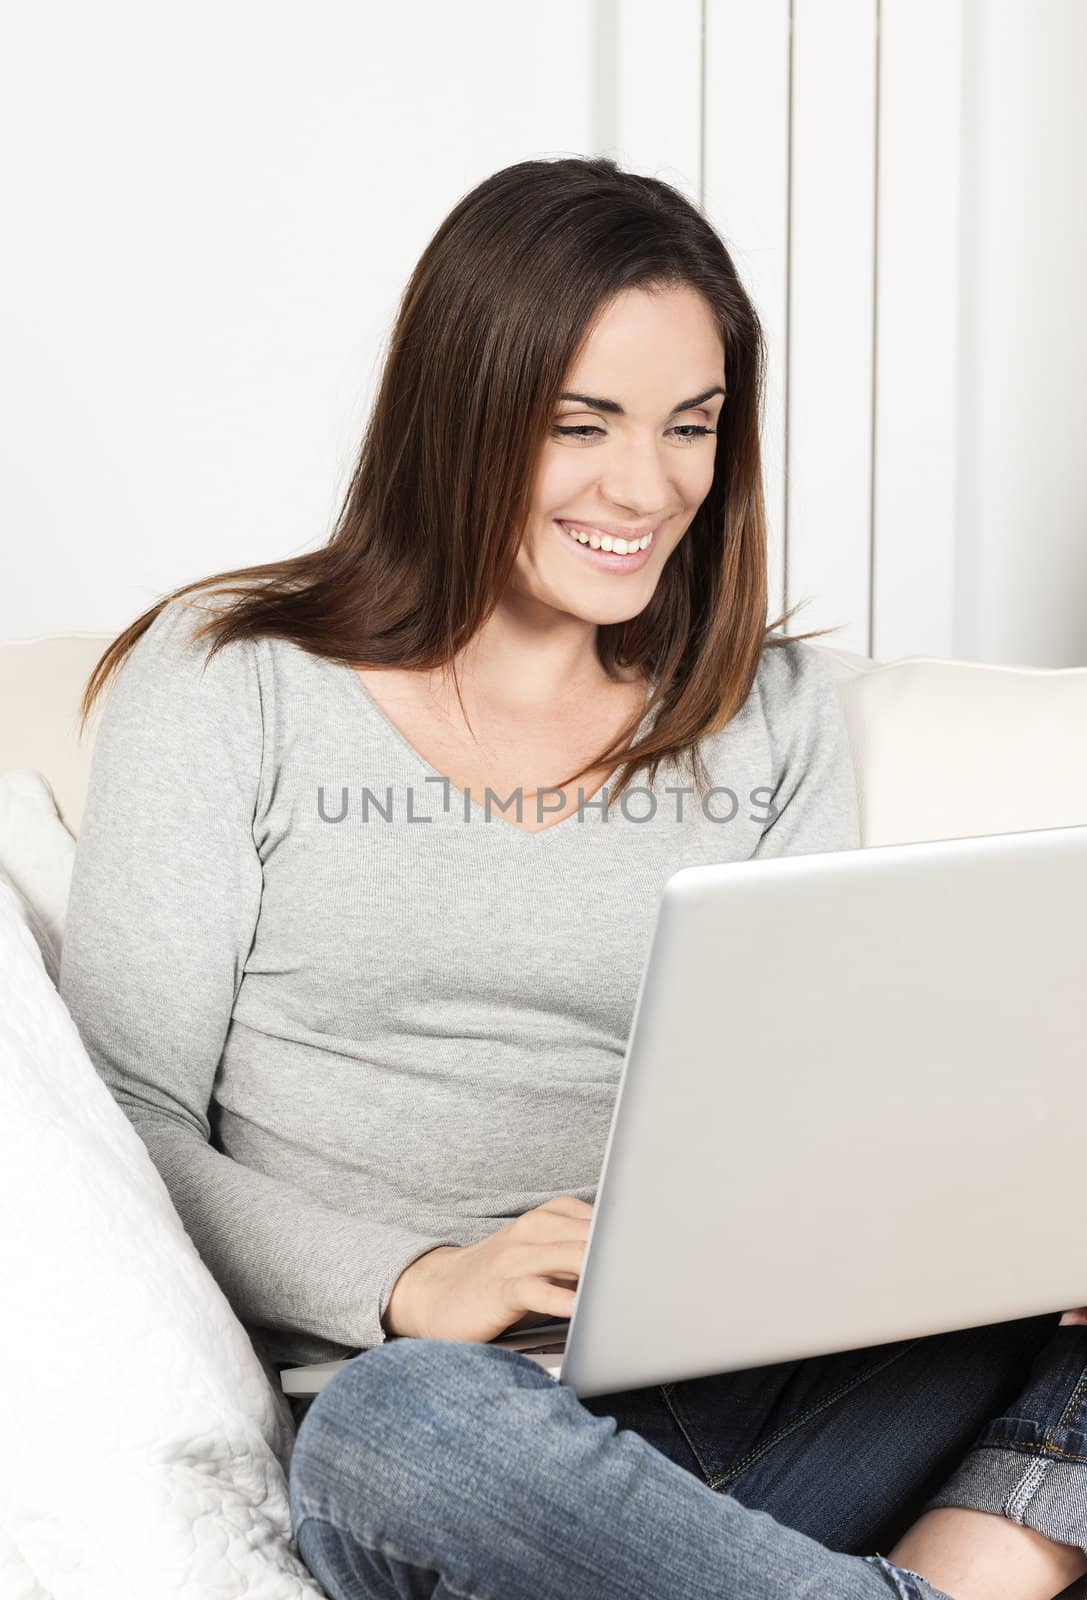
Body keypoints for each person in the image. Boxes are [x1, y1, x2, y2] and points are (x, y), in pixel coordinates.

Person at [59, 156, 1087, 1600]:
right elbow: (130, 1122)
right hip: (450, 1438)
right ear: (461, 415)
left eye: (693, 426)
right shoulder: (236, 681)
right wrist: (421, 1278)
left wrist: (990, 1221)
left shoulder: (766, 715)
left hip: (741, 1399)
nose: (647, 485)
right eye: (581, 424)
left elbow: (799, 1116)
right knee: (396, 1418)